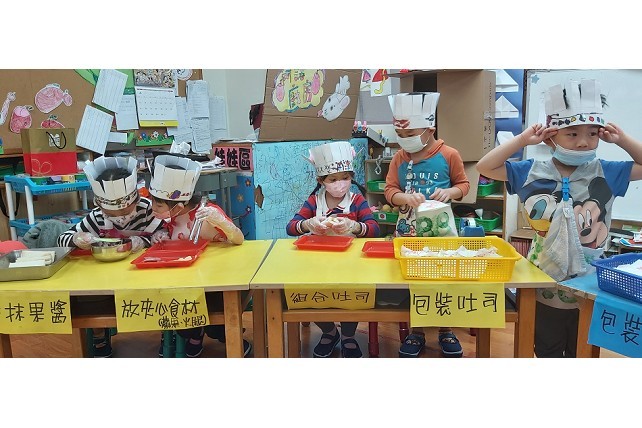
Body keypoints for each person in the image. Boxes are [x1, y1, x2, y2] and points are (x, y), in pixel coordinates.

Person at [476, 78, 642, 357]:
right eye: (572, 134)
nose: (583, 142)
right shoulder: (530, 171)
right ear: (551, 136)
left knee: (583, 349)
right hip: (543, 279)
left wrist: (623, 140)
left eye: (592, 134)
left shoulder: (608, 171)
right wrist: (523, 139)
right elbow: (485, 166)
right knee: (547, 348)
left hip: (590, 281)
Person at [384, 92, 470, 358]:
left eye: (409, 133)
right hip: (408, 231)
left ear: (429, 129)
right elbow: (389, 190)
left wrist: (450, 192)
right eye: (399, 133)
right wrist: (403, 198)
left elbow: (464, 185)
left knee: (444, 280)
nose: (404, 138)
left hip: (440, 231)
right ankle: (417, 331)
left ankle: (446, 329)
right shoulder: (399, 158)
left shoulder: (449, 154)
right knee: (414, 282)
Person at [57, 156, 165, 357]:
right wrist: (77, 239)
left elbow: (165, 235)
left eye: (125, 209)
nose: (120, 217)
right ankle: (99, 334)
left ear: (135, 199)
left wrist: (145, 241)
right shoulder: (97, 217)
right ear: (100, 205)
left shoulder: (149, 211)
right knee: (91, 297)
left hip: (145, 274)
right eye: (112, 213)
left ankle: (166, 332)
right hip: (107, 277)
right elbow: (62, 238)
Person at [148, 154, 249, 358]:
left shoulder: (207, 212)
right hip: (183, 280)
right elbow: (174, 240)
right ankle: (195, 334)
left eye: (158, 206)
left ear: (178, 205)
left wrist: (221, 222)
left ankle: (228, 336)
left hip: (216, 279)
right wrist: (159, 237)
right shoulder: (172, 216)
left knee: (216, 317)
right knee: (178, 308)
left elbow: (238, 239)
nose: (153, 209)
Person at [286, 140, 380, 358]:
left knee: (351, 297)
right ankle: (329, 332)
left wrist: (354, 226)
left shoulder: (356, 201)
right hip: (317, 263)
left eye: (345, 178)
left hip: (351, 264)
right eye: (333, 179)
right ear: (321, 181)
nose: (340, 184)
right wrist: (308, 224)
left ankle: (348, 335)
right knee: (312, 296)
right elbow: (291, 227)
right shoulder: (314, 201)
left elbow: (374, 229)